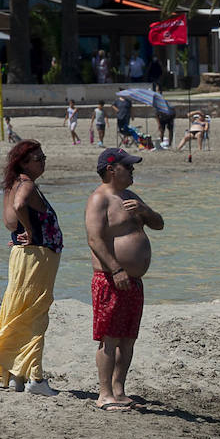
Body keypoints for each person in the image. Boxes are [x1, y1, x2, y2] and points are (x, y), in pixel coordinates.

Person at [86, 147, 164, 410]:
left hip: (133, 281)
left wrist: (145, 210)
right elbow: (94, 239)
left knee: (128, 338)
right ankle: (104, 394)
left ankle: (119, 390)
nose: (132, 171)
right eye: (127, 167)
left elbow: (159, 224)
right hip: (111, 278)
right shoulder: (100, 199)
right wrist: (116, 268)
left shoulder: (130, 197)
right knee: (109, 338)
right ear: (111, 169)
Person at [0, 140, 63, 396]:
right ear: (24, 162)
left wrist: (20, 232)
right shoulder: (26, 185)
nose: (43, 162)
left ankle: (17, 374)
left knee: (20, 313)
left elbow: (9, 221)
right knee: (35, 316)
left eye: (44, 157)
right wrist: (29, 231)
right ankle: (36, 380)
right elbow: (18, 208)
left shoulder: (13, 184)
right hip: (36, 256)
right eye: (38, 158)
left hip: (23, 256)